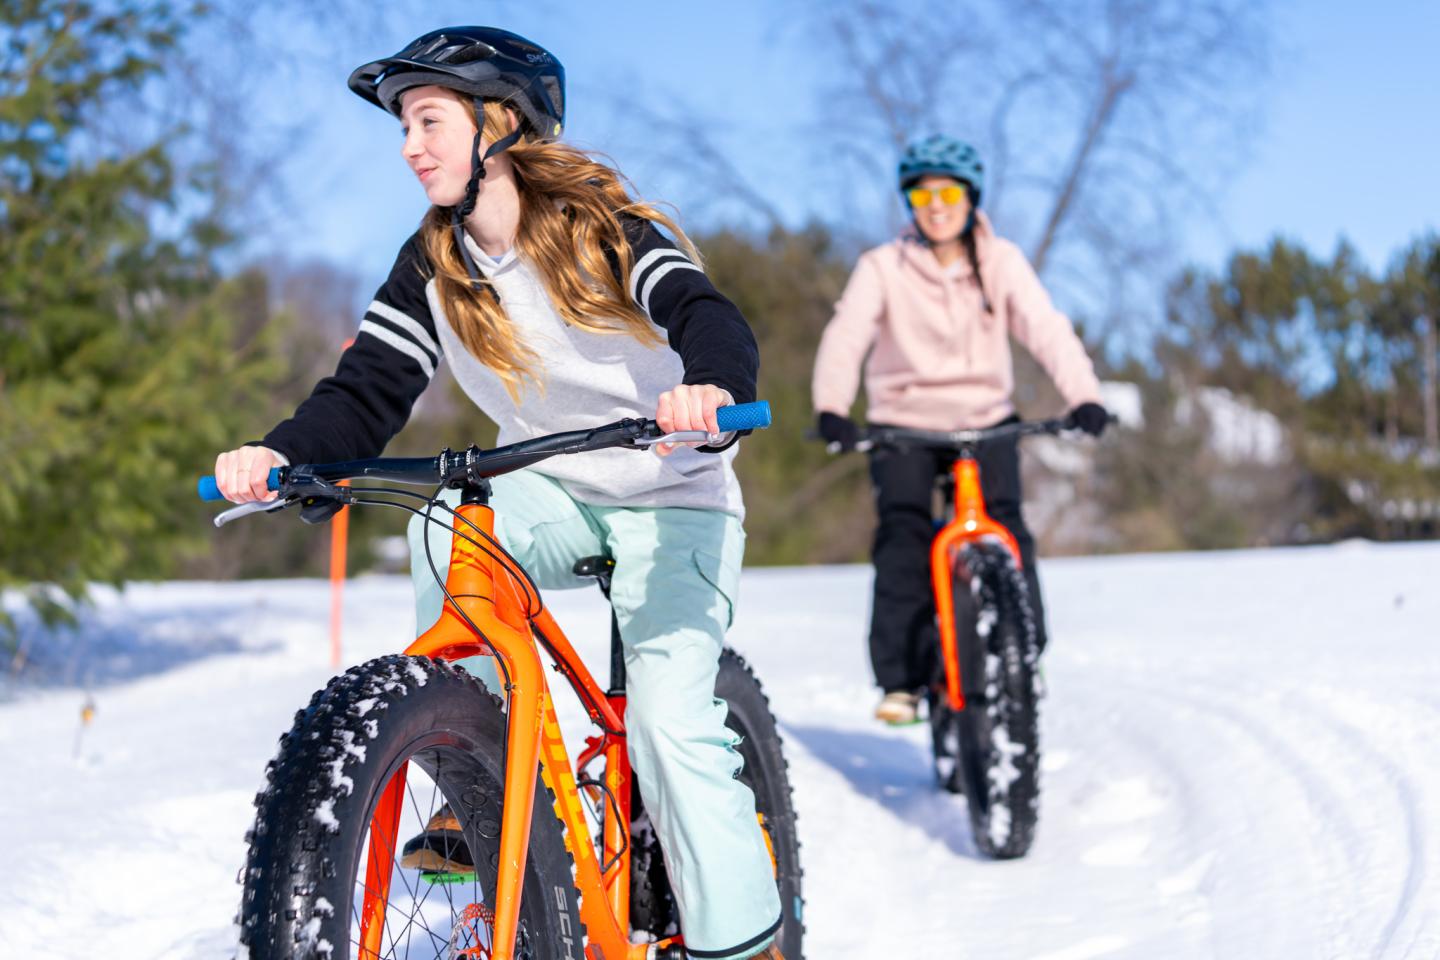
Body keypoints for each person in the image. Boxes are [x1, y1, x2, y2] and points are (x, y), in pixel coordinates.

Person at [212, 26, 783, 960]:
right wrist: (280, 455)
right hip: (551, 487)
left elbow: (702, 311)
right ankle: (476, 772)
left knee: (671, 726)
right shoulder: (433, 263)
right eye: (404, 125)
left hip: (674, 492)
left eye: (429, 120)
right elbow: (365, 393)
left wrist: (712, 386)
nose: (410, 146)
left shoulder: (602, 231)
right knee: (446, 524)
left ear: (500, 124)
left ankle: (750, 943)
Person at [811, 134, 1109, 726]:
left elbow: (1046, 328)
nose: (936, 205)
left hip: (986, 419)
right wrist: (832, 408)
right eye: (922, 195)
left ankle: (1027, 652)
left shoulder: (1000, 262)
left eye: (948, 193)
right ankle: (902, 681)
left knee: (1008, 528)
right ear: (909, 203)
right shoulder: (882, 267)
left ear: (971, 198)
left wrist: (1086, 397)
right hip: (904, 424)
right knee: (904, 536)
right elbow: (846, 336)